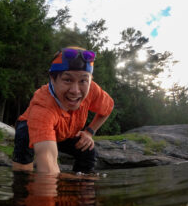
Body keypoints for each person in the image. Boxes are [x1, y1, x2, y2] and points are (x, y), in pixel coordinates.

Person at [12, 46, 114, 174]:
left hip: (65, 132)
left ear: (90, 80)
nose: (75, 91)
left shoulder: (92, 90)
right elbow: (48, 166)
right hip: (30, 129)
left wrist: (89, 132)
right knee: (22, 175)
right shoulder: (42, 107)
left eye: (83, 80)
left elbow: (108, 108)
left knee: (88, 150)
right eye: (67, 80)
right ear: (52, 79)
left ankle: (80, 190)